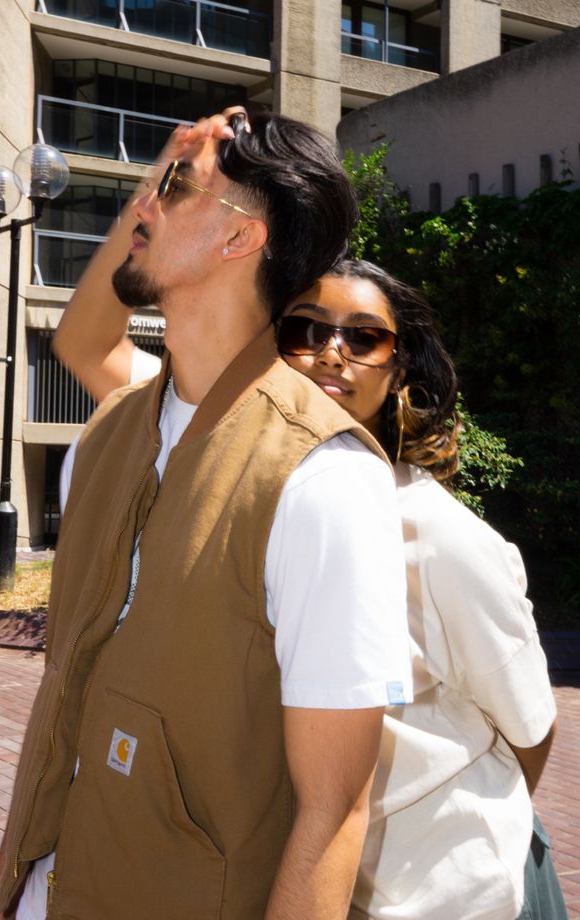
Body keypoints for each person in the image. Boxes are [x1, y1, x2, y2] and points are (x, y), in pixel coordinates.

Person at [0, 111, 413, 920]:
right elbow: (55, 715)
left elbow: (334, 814)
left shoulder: (326, 479)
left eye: (174, 186)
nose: (142, 205)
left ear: (240, 239)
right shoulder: (108, 436)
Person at [57, 254, 564, 920]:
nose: (332, 353)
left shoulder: (442, 539)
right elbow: (89, 346)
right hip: (323, 887)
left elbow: (531, 731)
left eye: (364, 337)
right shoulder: (243, 471)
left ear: (399, 366)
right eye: (306, 330)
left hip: (457, 895)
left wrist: (442, 823)